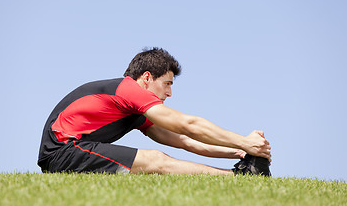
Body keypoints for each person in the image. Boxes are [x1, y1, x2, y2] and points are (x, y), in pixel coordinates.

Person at [38, 48, 271, 176]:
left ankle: (240, 175)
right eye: (167, 83)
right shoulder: (128, 89)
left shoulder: (134, 109)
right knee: (155, 160)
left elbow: (183, 141)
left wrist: (239, 152)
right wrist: (245, 142)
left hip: (73, 150)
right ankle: (238, 179)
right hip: (62, 151)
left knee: (159, 157)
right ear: (147, 78)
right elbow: (187, 125)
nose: (169, 93)